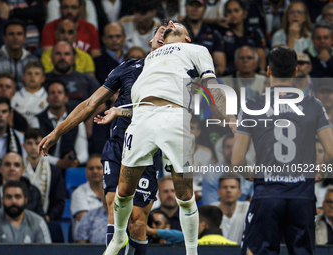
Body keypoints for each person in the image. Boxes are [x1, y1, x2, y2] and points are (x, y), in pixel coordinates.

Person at [96, 21, 234, 255]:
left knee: (184, 194)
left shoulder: (197, 51)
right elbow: (144, 100)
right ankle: (119, 238)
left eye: (177, 26)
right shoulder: (151, 58)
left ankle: (192, 251)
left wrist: (230, 115)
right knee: (123, 190)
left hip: (174, 118)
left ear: (187, 38)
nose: (171, 25)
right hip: (141, 120)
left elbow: (211, 84)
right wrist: (120, 111)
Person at [38, 20, 173, 255]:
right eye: (162, 32)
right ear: (151, 40)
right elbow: (90, 104)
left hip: (147, 152)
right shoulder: (128, 68)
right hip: (119, 145)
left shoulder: (174, 77)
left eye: (171, 35)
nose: (164, 36)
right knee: (114, 208)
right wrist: (56, 132)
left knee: (138, 223)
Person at [232, 46, 333, 255]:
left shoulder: (252, 105)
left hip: (267, 195)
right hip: (302, 198)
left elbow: (237, 160)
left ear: (268, 71)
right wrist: (322, 170)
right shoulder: (313, 105)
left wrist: (249, 173)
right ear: (296, 72)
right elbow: (331, 149)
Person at [34, 81, 88, 169]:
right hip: (44, 167)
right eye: (52, 93)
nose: (56, 95)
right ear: (47, 98)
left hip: (70, 167)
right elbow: (35, 150)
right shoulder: (37, 120)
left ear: (66, 98)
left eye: (59, 92)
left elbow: (83, 153)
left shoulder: (77, 120)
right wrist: (58, 162)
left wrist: (76, 161)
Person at [22, 128, 65, 222]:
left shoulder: (54, 172)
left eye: (38, 143)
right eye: (29, 143)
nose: (33, 147)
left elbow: (59, 202)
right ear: (24, 145)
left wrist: (48, 218)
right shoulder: (17, 169)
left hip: (45, 220)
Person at [182, 0, 226, 76]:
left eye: (198, 6)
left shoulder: (213, 33)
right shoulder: (175, 31)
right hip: (179, 80)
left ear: (205, 8)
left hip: (206, 80)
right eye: (191, 5)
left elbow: (220, 66)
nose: (194, 9)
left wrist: (205, 77)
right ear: (185, 7)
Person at [221, 0, 266, 75]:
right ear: (225, 15)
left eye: (236, 11)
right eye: (229, 11)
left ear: (244, 14)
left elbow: (261, 57)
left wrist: (261, 74)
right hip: (230, 75)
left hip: (253, 75)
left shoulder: (254, 32)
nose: (233, 14)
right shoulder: (221, 34)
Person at [0, 19, 38, 90]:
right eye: (11, 34)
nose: (15, 37)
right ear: (4, 38)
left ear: (25, 38)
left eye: (19, 34)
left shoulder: (33, 61)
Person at [211, 173, 249, 243]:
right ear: (219, 192)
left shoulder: (247, 208)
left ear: (239, 192)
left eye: (233, 187)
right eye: (225, 187)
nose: (228, 190)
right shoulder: (211, 210)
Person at [0, 97, 25, 174]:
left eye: (4, 112)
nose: (0, 115)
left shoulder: (20, 138)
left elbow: (24, 165)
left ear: (10, 114)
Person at [11, 61, 48, 127]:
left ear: (43, 78)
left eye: (37, 74)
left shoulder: (48, 97)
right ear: (23, 77)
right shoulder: (15, 97)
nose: (32, 76)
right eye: (29, 73)